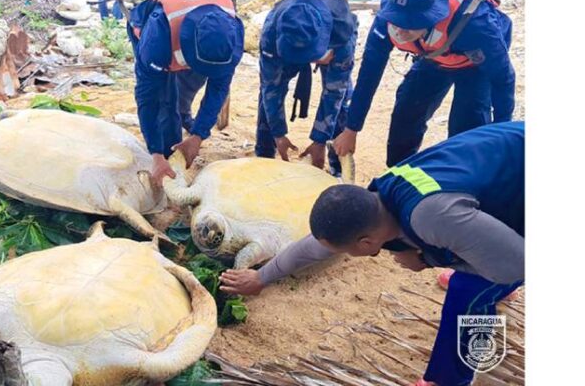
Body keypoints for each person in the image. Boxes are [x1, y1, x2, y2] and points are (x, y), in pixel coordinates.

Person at [221, 121, 525, 386]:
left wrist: (427, 260)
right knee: (479, 264)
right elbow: (316, 245)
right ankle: (491, 263)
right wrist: (261, 277)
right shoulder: (379, 195)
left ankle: (450, 379)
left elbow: (520, 266)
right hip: (510, 163)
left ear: (366, 244)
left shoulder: (431, 217)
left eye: (347, 252)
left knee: (468, 289)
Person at [332, 0, 516, 167]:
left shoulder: (476, 24)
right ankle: (399, 173)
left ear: (432, 16)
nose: (401, 31)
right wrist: (351, 129)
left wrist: (501, 134)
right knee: (406, 112)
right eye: (397, 21)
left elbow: (503, 79)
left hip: (474, 62)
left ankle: (462, 180)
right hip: (433, 56)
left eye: (410, 24)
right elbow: (369, 73)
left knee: (466, 125)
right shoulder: (386, 21)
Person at [127, 0, 244, 184]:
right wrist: (155, 154)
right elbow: (147, 98)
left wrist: (198, 135)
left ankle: (185, 121)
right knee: (165, 99)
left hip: (194, 43)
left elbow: (218, 89)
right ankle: (167, 152)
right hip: (152, 29)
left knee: (186, 90)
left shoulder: (231, 36)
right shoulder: (157, 41)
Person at [255, 0, 358, 175]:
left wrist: (319, 139)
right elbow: (271, 88)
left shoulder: (342, 33)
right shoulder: (271, 34)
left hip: (330, 36)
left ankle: (337, 166)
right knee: (267, 94)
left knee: (341, 101)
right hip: (286, 40)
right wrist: (279, 134)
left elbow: (335, 91)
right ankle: (264, 155)